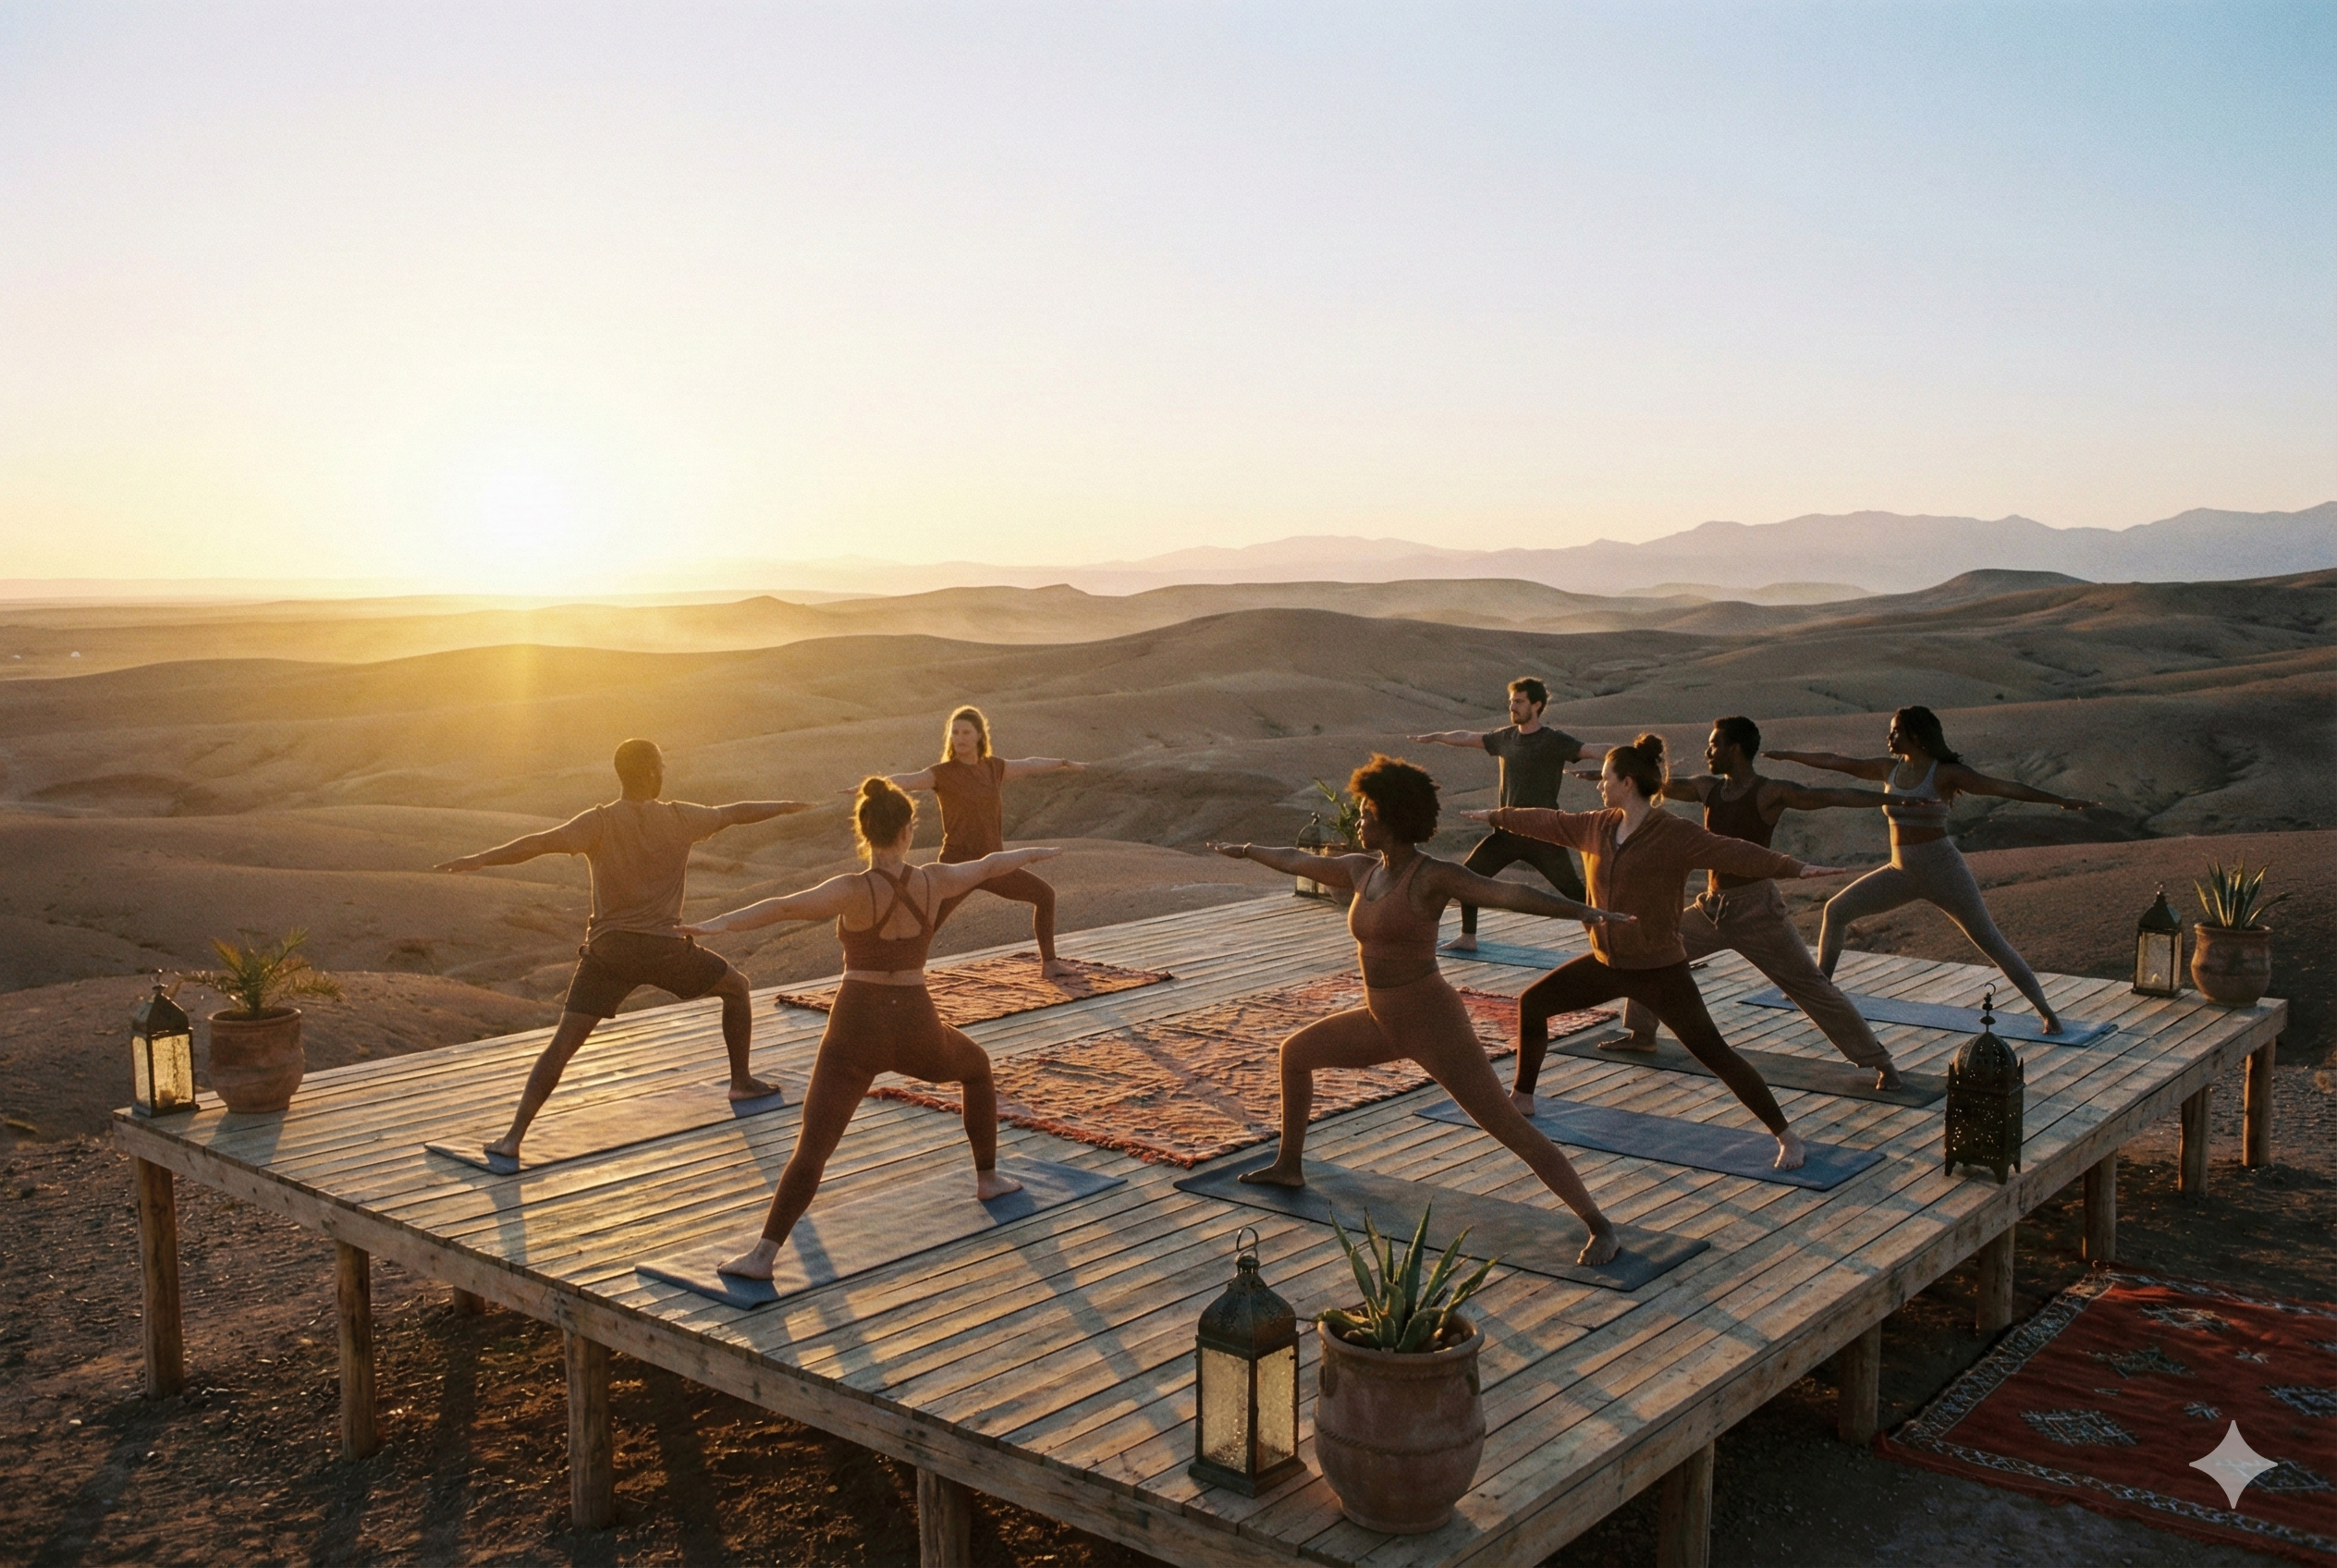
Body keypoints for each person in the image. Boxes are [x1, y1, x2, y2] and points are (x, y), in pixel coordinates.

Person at [1208, 754, 1641, 1266]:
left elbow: (1509, 893)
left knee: (1506, 1124)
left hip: (1435, 1024)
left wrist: (1581, 911)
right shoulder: (1360, 870)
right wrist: (1248, 850)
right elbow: (1298, 861)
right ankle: (1289, 1165)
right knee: (1295, 1053)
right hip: (1381, 1020)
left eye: (1367, 813)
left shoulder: (1430, 877)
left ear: (1392, 818)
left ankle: (1600, 1225)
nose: (1359, 821)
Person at [684, 778, 1064, 1280]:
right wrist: (1038, 852)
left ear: (863, 833)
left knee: (812, 1147)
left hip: (853, 1027)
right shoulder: (934, 880)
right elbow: (991, 865)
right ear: (908, 832)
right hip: (915, 1022)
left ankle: (763, 1256)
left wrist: (720, 925)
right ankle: (988, 1179)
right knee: (976, 1068)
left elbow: (784, 907)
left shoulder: (852, 889)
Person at [1471, 735, 1852, 1171]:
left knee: (1714, 1052)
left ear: (1627, 782)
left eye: (1607, 779)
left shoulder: (1673, 834)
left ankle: (1787, 1137)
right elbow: (1549, 821)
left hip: (1659, 970)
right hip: (1606, 964)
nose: (1600, 786)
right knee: (1533, 1002)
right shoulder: (1597, 826)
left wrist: (1795, 867)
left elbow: (1733, 852)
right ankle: (1522, 1098)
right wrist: (1496, 815)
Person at [434, 739, 814, 1164]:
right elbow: (736, 813)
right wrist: (785, 805)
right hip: (663, 949)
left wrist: (480, 859)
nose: (665, 771)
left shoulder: (598, 822)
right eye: (662, 765)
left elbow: (539, 843)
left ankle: (512, 1139)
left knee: (562, 1045)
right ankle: (741, 1082)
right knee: (737, 988)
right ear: (652, 771)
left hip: (608, 952)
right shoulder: (680, 817)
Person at [1589, 717, 1908, 1090]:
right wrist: (1617, 782)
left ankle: (1880, 1061)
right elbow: (1656, 787)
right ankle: (1641, 1035)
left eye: (1714, 745)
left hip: (1758, 911)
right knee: (1649, 953)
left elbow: (1828, 796)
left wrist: (1893, 798)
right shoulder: (1709, 789)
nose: (1708, 752)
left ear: (1734, 749)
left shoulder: (1768, 792)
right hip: (1712, 908)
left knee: (1810, 986)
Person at [1766, 706, 2098, 1035]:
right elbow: (1838, 762)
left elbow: (2003, 787)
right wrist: (1788, 755)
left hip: (1944, 872)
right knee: (1836, 910)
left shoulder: (1944, 773)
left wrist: (2059, 800)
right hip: (1900, 872)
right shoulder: (1888, 769)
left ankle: (2048, 1015)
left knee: (1991, 942)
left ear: (1916, 735)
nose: (1889, 736)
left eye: (1896, 730)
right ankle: (1820, 991)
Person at [875, 705, 1085, 978]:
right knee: (927, 924)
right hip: (957, 866)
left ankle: (1050, 964)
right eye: (954, 732)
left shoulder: (993, 768)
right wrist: (873, 785)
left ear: (978, 736)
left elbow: (1030, 764)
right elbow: (907, 780)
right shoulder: (942, 773)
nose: (959, 738)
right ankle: (891, 974)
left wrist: (1062, 762)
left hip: (994, 864)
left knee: (1045, 895)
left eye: (965, 732)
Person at [1409, 677, 1598, 952]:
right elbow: (1467, 737)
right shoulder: (1505, 738)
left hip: (1543, 835)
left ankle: (1611, 937)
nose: (1513, 707)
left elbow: (1593, 750)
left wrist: (1635, 755)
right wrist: (1438, 736)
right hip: (1506, 834)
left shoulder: (1554, 741)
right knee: (1466, 879)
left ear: (1537, 705)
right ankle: (1468, 937)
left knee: (1575, 894)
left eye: (1519, 701)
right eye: (1511, 701)